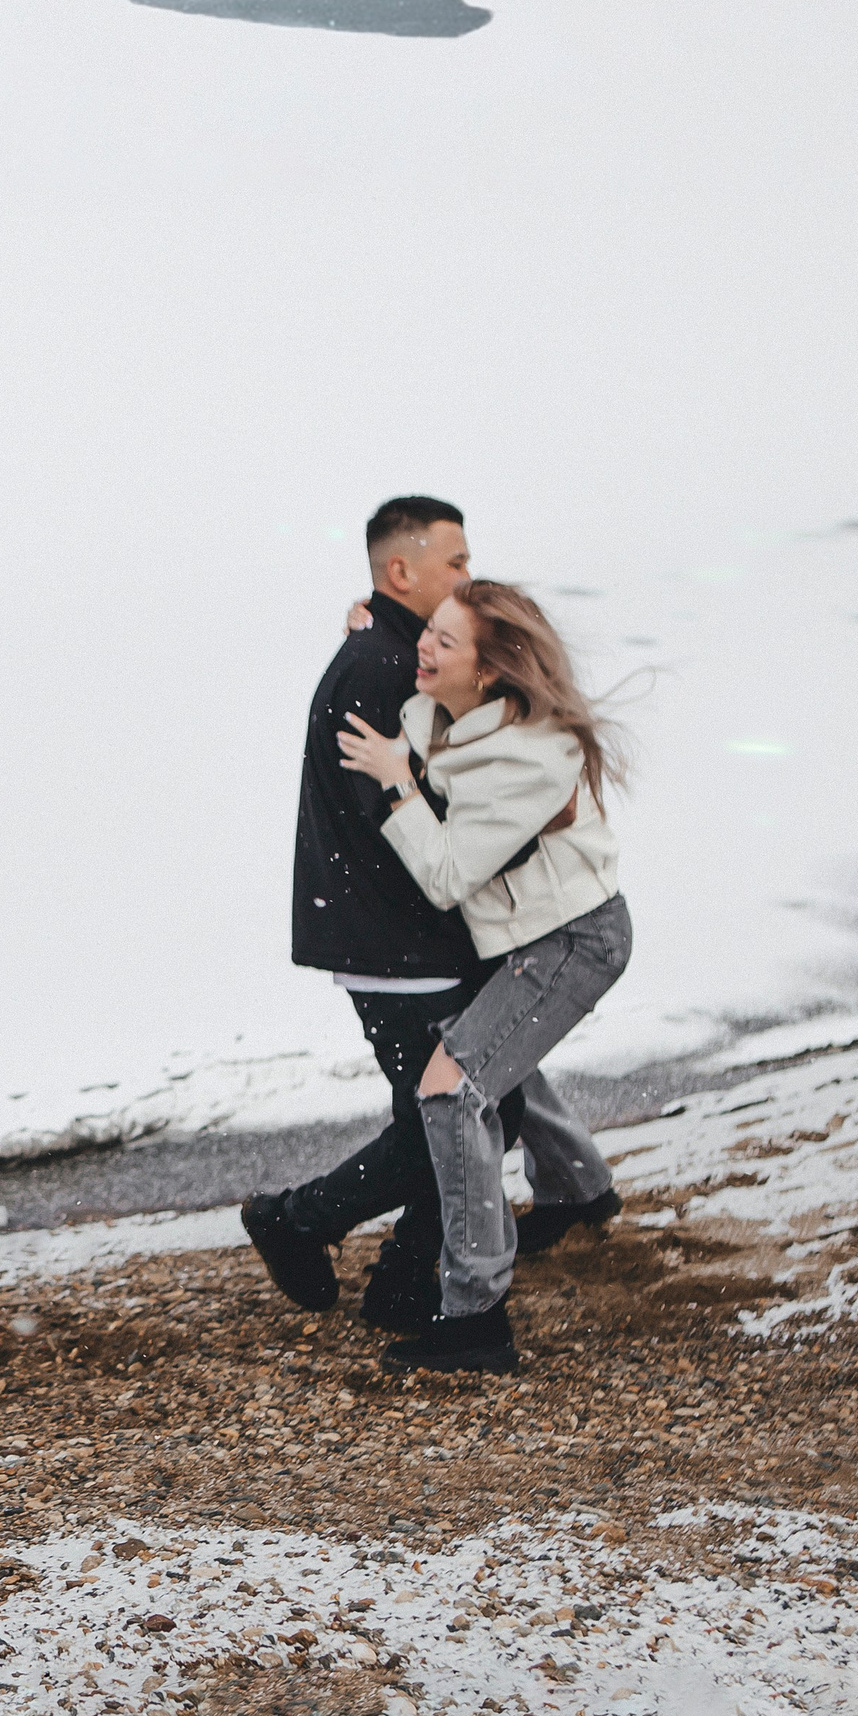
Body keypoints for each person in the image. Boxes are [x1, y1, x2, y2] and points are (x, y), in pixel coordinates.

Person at [244, 497, 567, 1330]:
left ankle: (399, 1275)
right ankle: (301, 1222)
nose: (468, 575)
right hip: (397, 944)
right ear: (402, 571)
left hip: (391, 937)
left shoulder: (388, 652)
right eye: (455, 562)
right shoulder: (387, 670)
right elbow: (402, 822)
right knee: (457, 1117)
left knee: (460, 1112)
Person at [338, 580, 632, 1371]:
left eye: (443, 642)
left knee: (452, 1088)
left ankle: (475, 1319)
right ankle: (579, 1191)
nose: (424, 652)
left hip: (571, 940)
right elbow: (413, 688)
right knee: (503, 1060)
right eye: (426, 632)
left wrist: (396, 781)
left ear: (491, 671)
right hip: (519, 937)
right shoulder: (452, 708)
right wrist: (371, 636)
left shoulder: (529, 757)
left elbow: (446, 878)